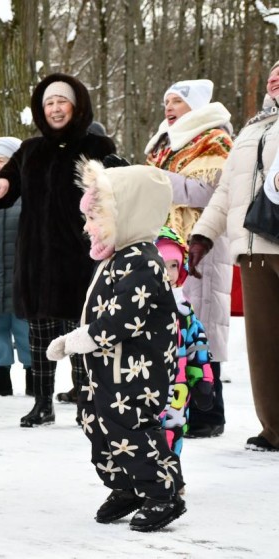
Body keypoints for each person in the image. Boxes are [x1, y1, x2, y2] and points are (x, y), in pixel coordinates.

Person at [47, 161, 186, 532]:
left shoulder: (143, 261)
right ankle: (125, 485)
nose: (87, 227)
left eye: (95, 217)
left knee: (129, 428)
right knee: (95, 422)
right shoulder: (117, 257)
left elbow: (124, 318)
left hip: (135, 373)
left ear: (125, 216)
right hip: (106, 369)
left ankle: (160, 493)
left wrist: (77, 340)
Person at [0, 73, 116, 427]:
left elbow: (118, 186)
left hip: (80, 257)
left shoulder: (97, 147)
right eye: (49, 103)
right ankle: (42, 403)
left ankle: (86, 397)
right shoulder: (30, 150)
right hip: (36, 261)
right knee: (40, 334)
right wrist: (4, 180)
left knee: (80, 330)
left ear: (77, 106)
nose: (56, 109)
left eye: (62, 102)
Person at [189, 60, 279, 452]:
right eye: (274, 71)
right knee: (264, 345)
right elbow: (227, 190)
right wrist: (203, 235)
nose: (276, 75)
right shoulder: (253, 127)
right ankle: (274, 429)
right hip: (253, 249)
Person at [145, 79, 233, 439]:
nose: (169, 107)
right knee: (178, 324)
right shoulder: (167, 143)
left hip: (203, 241)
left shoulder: (215, 140)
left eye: (177, 101)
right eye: (166, 100)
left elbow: (208, 191)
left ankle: (211, 412)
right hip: (170, 241)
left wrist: (155, 180)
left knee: (204, 322)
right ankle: (182, 404)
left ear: (195, 107)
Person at [155, 227, 215, 456]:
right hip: (143, 388)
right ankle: (145, 481)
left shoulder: (183, 308)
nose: (168, 273)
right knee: (144, 435)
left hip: (177, 390)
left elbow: (197, 343)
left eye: (174, 266)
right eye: (162, 266)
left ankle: (173, 475)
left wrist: (203, 379)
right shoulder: (136, 308)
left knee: (174, 432)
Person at [0, 137, 32, 397]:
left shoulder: (27, 193)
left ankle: (32, 376)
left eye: (2, 160)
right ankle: (2, 377)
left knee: (23, 328)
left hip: (21, 271)